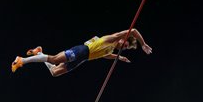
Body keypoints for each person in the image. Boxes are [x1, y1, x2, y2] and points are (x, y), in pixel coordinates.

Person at [11, 28, 152, 77]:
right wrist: (143, 44)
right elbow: (133, 30)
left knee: (54, 72)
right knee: (54, 59)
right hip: (82, 51)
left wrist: (119, 57)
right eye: (125, 44)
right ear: (123, 39)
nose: (123, 46)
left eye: (125, 48)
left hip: (83, 59)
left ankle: (39, 53)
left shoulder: (111, 49)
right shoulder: (112, 39)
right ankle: (21, 60)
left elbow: (105, 55)